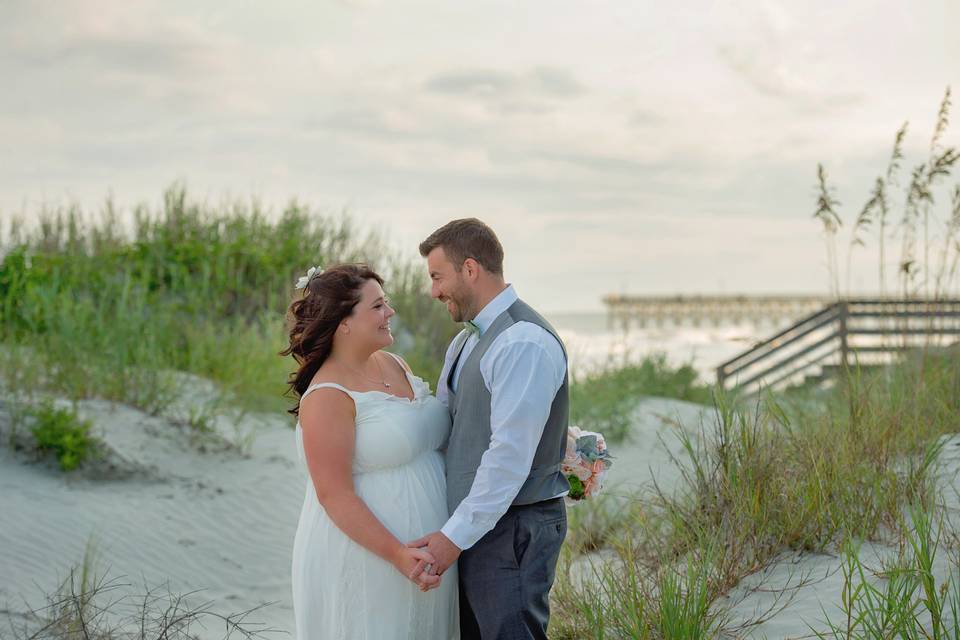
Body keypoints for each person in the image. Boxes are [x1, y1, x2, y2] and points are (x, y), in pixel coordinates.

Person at [410, 219, 569, 640]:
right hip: (477, 526)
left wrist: (451, 539)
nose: (434, 291)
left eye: (437, 276)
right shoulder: (464, 343)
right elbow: (457, 428)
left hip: (514, 530)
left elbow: (508, 458)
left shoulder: (523, 342)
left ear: (470, 269)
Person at [284, 263, 458, 640]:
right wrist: (397, 553)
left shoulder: (395, 364)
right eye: (377, 306)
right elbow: (334, 495)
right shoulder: (328, 395)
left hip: (428, 556)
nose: (390, 312)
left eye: (387, 302)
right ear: (343, 322)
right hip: (369, 557)